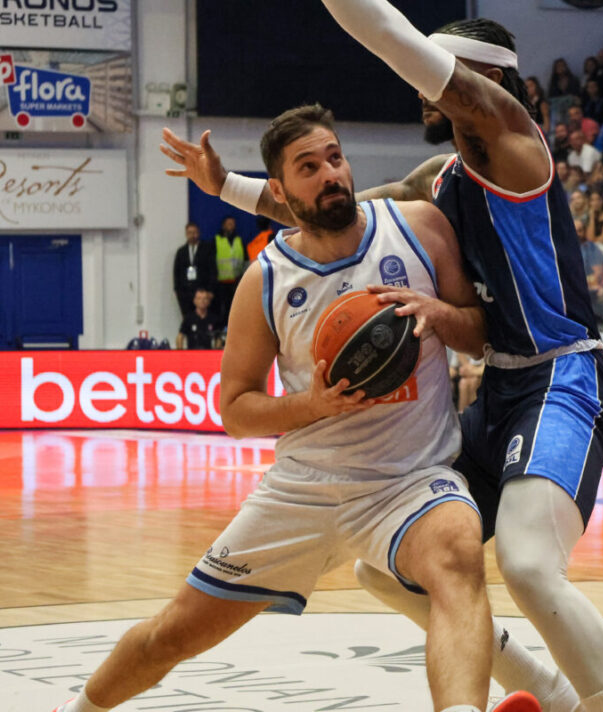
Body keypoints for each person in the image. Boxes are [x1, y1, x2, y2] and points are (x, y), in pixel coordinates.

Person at [164, 10, 603, 712]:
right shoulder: (438, 177)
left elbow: (396, 44)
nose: (421, 89)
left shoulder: (515, 141)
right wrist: (225, 184)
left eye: (437, 72)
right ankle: (547, 695)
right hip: (502, 386)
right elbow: (334, 213)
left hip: (564, 374)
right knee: (386, 572)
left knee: (529, 564)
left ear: (484, 81)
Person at [58, 104, 513, 712]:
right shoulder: (265, 279)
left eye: (335, 158)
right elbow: (235, 410)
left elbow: (479, 336)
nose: (331, 174)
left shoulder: (419, 228)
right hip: (305, 488)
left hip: (409, 480)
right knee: (171, 636)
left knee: (458, 555)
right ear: (279, 190)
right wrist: (313, 404)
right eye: (309, 167)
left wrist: (441, 314)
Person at [171, 221, 215, 318]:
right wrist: (177, 290)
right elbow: (176, 272)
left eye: (195, 232)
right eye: (190, 233)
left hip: (202, 290)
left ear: (199, 233)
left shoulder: (207, 249)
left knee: (203, 317)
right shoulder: (181, 251)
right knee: (188, 318)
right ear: (186, 234)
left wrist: (210, 290)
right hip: (186, 292)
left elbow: (212, 270)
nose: (192, 235)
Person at [213, 215, 246, 324]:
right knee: (222, 311)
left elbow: (244, 259)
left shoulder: (239, 240)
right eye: (229, 224)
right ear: (223, 226)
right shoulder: (217, 240)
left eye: (233, 224)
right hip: (221, 283)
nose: (231, 226)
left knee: (236, 310)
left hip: (236, 282)